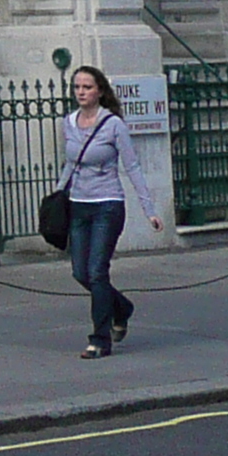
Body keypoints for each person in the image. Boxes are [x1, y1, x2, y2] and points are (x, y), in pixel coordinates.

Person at [58, 65, 162, 359]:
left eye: (87, 87)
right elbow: (70, 163)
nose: (81, 92)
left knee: (97, 271)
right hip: (79, 204)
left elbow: (132, 166)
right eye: (77, 87)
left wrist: (149, 209)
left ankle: (100, 339)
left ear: (100, 91)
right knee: (80, 272)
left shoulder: (113, 124)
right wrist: (56, 195)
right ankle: (122, 307)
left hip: (107, 204)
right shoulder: (68, 122)